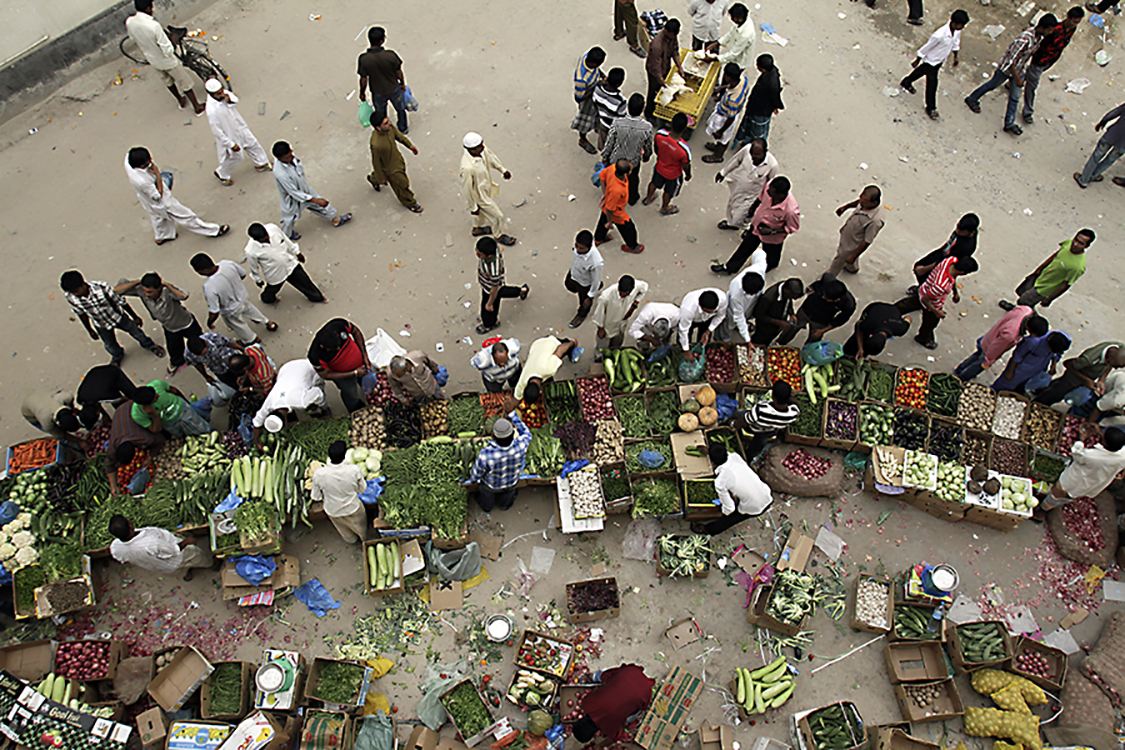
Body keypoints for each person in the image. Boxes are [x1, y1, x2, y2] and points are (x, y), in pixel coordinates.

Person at [964, 14, 1058, 136]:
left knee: (1014, 97)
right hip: (1007, 70)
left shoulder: (1038, 38)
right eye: (1050, 30)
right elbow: (1011, 61)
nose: (1050, 33)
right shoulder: (1025, 39)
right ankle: (972, 98)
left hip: (1018, 70)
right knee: (992, 85)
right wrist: (1017, 78)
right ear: (1044, 27)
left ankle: (1009, 123)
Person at [124, 147, 228, 245]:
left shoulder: (128, 161)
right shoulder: (142, 181)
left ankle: (162, 236)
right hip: (162, 201)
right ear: (141, 166)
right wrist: (157, 174)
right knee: (187, 216)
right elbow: (158, 196)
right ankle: (213, 231)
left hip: (145, 199)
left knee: (157, 216)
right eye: (148, 162)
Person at [61, 270, 165, 366]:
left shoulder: (102, 288)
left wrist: (134, 316)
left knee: (137, 333)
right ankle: (117, 355)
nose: (75, 294)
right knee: (110, 344)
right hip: (101, 324)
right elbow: (81, 313)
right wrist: (89, 330)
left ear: (83, 284)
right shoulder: (71, 297)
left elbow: (121, 302)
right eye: (72, 292)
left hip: (118, 317)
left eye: (76, 291)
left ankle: (150, 346)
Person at [125, 0, 205, 114]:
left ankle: (180, 100)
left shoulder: (130, 22)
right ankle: (197, 107)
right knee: (184, 82)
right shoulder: (153, 26)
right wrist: (173, 41)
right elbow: (168, 50)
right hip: (167, 61)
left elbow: (133, 38)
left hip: (152, 60)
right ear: (148, 8)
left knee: (168, 81)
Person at [711, 176, 800, 274]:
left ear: (780, 195)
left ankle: (768, 267)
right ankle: (730, 267)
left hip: (773, 238)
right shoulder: (769, 187)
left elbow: (792, 228)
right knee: (745, 248)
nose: (767, 191)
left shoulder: (791, 210)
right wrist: (752, 209)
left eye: (771, 192)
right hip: (756, 227)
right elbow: (760, 198)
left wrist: (772, 231)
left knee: (771, 257)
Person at [116, 274, 201, 375]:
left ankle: (203, 359)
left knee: (200, 343)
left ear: (159, 288)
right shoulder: (141, 291)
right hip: (170, 328)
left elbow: (184, 295)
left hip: (187, 323)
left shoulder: (167, 292)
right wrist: (138, 281)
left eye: (150, 292)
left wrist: (167, 285)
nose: (146, 294)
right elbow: (117, 290)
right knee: (174, 349)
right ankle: (176, 363)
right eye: (145, 291)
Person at [894, 256, 979, 349]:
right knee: (930, 323)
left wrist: (955, 292)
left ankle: (891, 313)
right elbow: (925, 300)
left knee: (907, 305)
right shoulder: (941, 286)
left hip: (924, 289)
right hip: (931, 301)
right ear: (963, 272)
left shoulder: (950, 261)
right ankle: (923, 338)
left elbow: (953, 277)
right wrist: (936, 311)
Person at [272, 141, 351, 241]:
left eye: (291, 152)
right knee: (289, 218)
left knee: (321, 205)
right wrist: (315, 200)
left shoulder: (291, 157)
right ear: (280, 158)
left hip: (304, 188)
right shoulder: (281, 173)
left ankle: (335, 219)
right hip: (292, 198)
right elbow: (293, 192)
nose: (291, 156)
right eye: (288, 156)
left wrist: (314, 199)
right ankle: (287, 235)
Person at [191, 253, 277, 344]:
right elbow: (243, 274)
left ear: (202, 270)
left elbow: (214, 311)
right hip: (243, 297)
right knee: (251, 310)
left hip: (231, 310)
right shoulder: (227, 264)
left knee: (239, 325)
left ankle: (252, 339)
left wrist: (210, 322)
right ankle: (268, 322)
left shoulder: (209, 287)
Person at [899, 10, 969, 120]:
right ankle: (931, 107)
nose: (963, 27)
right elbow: (927, 47)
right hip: (931, 60)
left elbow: (956, 43)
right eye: (961, 25)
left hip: (939, 60)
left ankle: (906, 82)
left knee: (921, 71)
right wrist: (918, 59)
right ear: (954, 23)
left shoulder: (956, 31)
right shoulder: (939, 35)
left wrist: (955, 56)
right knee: (932, 84)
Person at [690, 443, 773, 535]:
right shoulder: (735, 457)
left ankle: (708, 530)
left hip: (754, 506)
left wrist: (721, 510)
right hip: (766, 494)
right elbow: (726, 455)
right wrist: (709, 452)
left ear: (712, 463)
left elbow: (730, 508)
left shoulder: (721, 481)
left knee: (731, 518)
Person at [1001, 229, 1093, 309]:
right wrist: (1039, 270)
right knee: (1022, 293)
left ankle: (1021, 316)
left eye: (1081, 243)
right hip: (1041, 276)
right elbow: (1054, 256)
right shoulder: (1068, 244)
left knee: (1023, 301)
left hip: (1045, 289)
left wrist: (1050, 299)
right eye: (1076, 239)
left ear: (1086, 246)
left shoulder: (1078, 267)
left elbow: (1066, 285)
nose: (1075, 244)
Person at [466, 402, 533, 512]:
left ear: (493, 436)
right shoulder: (521, 445)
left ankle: (487, 508)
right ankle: (504, 506)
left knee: (486, 500)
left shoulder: (486, 454)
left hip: (491, 486)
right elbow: (526, 432)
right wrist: (512, 414)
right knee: (507, 498)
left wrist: (472, 480)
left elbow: (476, 474)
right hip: (511, 482)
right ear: (513, 434)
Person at [1023, 7, 1084, 124]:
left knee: (1031, 76)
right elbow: (1041, 43)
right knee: (1032, 86)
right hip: (1040, 59)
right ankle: (1027, 112)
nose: (1075, 24)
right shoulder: (1054, 30)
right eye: (1074, 21)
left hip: (1050, 60)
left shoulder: (1071, 29)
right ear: (1068, 18)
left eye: (1078, 22)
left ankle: (1013, 81)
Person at [204, 78, 270, 186]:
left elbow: (235, 99)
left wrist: (229, 100)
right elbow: (217, 132)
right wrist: (231, 144)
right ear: (211, 94)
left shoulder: (224, 94)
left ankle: (261, 163)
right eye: (219, 93)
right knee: (236, 157)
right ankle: (222, 173)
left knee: (252, 143)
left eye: (222, 91)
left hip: (239, 126)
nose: (222, 94)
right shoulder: (212, 111)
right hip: (230, 135)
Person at [572, 664, 655, 745]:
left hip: (645, 692)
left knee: (630, 718)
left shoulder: (609, 728)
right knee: (605, 677)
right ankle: (594, 676)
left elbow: (618, 735)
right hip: (630, 671)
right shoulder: (586, 703)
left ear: (594, 733)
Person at [244, 222, 326, 305]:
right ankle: (267, 298)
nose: (267, 239)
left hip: (290, 264)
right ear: (255, 240)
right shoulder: (251, 251)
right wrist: (258, 280)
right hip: (275, 274)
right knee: (272, 290)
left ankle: (318, 297)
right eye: (263, 239)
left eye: (266, 235)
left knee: (305, 281)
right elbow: (254, 267)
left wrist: (297, 252)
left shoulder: (273, 228)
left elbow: (286, 240)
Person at [109, 515, 211, 580]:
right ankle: (211, 564)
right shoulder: (151, 543)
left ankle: (186, 574)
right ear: (130, 526)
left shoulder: (115, 547)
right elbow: (174, 550)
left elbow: (122, 559)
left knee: (177, 571)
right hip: (176, 558)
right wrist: (187, 541)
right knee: (196, 556)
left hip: (159, 567)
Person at [1046, 428, 1125, 510]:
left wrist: (1081, 439)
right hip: (1093, 485)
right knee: (1072, 496)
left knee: (1057, 492)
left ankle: (1045, 507)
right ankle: (1056, 504)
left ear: (1104, 442)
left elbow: (1076, 454)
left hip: (1073, 480)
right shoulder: (1123, 456)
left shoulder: (1092, 456)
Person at [954, 307, 1041, 381]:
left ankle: (960, 369)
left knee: (976, 355)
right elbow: (996, 348)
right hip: (990, 349)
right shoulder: (1011, 334)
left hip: (989, 336)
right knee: (978, 365)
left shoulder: (1026, 310)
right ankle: (962, 378)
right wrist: (988, 361)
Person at [460, 132, 516, 246]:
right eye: (479, 147)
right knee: (498, 216)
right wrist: (473, 206)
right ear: (470, 149)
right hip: (479, 195)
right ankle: (498, 235)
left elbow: (491, 158)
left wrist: (502, 170)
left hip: (486, 187)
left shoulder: (481, 150)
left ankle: (477, 228)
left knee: (481, 212)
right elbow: (467, 188)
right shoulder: (467, 168)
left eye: (482, 144)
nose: (483, 147)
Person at [308, 318, 373, 413]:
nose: (338, 348)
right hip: (343, 376)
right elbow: (326, 375)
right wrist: (354, 373)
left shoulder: (338, 325)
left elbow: (356, 332)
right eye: (335, 349)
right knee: (351, 393)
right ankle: (356, 408)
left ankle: (369, 394)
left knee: (370, 381)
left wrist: (364, 356)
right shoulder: (315, 355)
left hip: (361, 364)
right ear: (323, 346)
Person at [250, 359, 328, 437]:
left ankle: (320, 410)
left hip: (309, 368)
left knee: (316, 394)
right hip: (286, 368)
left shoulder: (301, 402)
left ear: (286, 420)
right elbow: (257, 421)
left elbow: (318, 393)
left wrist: (323, 406)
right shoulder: (270, 402)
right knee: (307, 396)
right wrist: (256, 441)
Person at [1035, 341, 1125, 407]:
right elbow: (1067, 364)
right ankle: (1036, 404)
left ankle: (1041, 390)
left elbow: (1109, 366)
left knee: (1056, 385)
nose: (1116, 369)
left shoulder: (1120, 349)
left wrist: (1101, 380)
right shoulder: (1088, 359)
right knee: (1056, 394)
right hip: (1073, 377)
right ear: (1108, 359)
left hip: (1088, 376)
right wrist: (1087, 381)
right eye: (1115, 366)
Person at [367, 110, 424, 213]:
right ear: (378, 128)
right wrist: (382, 178)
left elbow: (399, 136)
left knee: (383, 177)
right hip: (391, 170)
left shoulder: (389, 128)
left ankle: (373, 179)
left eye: (388, 120)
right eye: (385, 123)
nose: (389, 123)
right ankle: (410, 202)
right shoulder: (376, 144)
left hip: (397, 160)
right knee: (402, 185)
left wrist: (410, 146)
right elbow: (376, 162)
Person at [311, 441, 368, 543]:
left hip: (333, 510)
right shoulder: (354, 470)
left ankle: (351, 540)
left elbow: (316, 497)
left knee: (343, 529)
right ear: (344, 455)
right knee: (360, 526)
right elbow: (362, 489)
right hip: (352, 507)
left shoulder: (319, 474)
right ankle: (364, 540)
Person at [602, 93, 654, 205]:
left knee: (614, 179)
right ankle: (632, 198)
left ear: (628, 106)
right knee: (633, 180)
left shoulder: (617, 123)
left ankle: (612, 195)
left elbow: (609, 142)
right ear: (642, 109)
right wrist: (647, 155)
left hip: (615, 160)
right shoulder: (647, 127)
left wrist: (605, 157)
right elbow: (648, 145)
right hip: (633, 162)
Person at [716, 139, 778, 230]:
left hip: (752, 195)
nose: (753, 158)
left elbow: (770, 185)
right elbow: (736, 160)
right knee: (731, 206)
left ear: (765, 152)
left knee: (741, 215)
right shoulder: (747, 149)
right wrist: (723, 172)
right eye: (752, 155)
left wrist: (761, 201)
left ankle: (746, 227)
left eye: (757, 156)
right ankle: (731, 223)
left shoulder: (772, 165)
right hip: (737, 186)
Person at [357, 26, 409, 133]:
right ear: (382, 41)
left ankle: (385, 129)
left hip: (377, 92)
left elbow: (363, 79)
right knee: (400, 109)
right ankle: (403, 128)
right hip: (394, 88)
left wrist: (362, 93)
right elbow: (398, 72)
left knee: (381, 113)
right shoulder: (391, 55)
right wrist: (403, 84)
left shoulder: (364, 59)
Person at [104, 401, 164, 492]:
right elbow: (109, 464)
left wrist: (150, 457)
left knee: (157, 428)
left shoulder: (144, 438)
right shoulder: (114, 444)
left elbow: (160, 440)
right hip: (120, 411)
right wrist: (113, 486)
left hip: (135, 405)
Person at [781, 274, 856, 345]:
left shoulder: (848, 305)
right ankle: (781, 342)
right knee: (792, 327)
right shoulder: (827, 279)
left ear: (837, 299)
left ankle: (806, 351)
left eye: (826, 298)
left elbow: (840, 320)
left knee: (813, 339)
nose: (823, 297)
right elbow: (815, 285)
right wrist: (810, 289)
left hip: (821, 320)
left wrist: (822, 331)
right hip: (806, 309)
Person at [476, 236, 530, 334]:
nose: (477, 254)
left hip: (490, 289)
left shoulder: (493, 270)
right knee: (504, 291)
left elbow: (494, 289)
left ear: (489, 256)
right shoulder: (494, 250)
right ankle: (522, 291)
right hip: (492, 284)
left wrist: (489, 303)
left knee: (488, 309)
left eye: (480, 254)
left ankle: (490, 323)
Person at [828, 186, 885, 276]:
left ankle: (829, 276)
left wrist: (853, 256)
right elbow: (858, 202)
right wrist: (846, 207)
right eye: (861, 197)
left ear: (873, 203)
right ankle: (852, 268)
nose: (861, 202)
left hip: (854, 242)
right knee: (848, 258)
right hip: (850, 233)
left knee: (840, 257)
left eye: (864, 201)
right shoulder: (864, 203)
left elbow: (867, 241)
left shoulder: (875, 221)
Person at [910, 213, 979, 286]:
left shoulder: (966, 248)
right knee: (918, 267)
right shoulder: (961, 230)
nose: (957, 231)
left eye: (961, 231)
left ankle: (922, 290)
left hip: (943, 263)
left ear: (971, 232)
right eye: (957, 227)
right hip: (943, 253)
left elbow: (948, 264)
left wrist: (925, 269)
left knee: (926, 277)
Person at [992, 330, 1071, 393]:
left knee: (1021, 387)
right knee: (1004, 385)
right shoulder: (1034, 342)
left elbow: (1057, 354)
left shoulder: (1063, 342)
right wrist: (1010, 371)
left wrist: (1053, 364)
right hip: (1019, 371)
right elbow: (1017, 356)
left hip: (1036, 371)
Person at [644, 114, 693, 215]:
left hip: (659, 167)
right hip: (673, 175)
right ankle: (665, 208)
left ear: (671, 123)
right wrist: (688, 175)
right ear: (684, 129)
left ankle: (648, 198)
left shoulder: (659, 135)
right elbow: (686, 165)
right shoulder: (684, 149)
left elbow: (656, 149)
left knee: (654, 183)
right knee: (668, 192)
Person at [734, 381, 800, 455]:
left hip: (754, 428)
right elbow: (795, 404)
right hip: (770, 432)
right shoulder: (793, 413)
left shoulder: (761, 409)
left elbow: (746, 420)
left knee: (741, 413)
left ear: (773, 397)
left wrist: (734, 425)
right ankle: (750, 455)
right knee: (757, 445)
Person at [731, 55, 783, 148]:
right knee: (750, 126)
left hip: (760, 110)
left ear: (762, 69)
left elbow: (775, 96)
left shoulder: (771, 84)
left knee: (756, 130)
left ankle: (754, 146)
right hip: (756, 107)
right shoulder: (772, 72)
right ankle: (747, 141)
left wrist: (776, 106)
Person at [703, 64, 750, 162]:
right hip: (729, 111)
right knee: (720, 137)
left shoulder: (734, 100)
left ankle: (718, 156)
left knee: (723, 138)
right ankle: (717, 147)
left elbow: (731, 118)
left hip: (726, 118)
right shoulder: (743, 79)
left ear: (729, 77)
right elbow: (731, 85)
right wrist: (722, 88)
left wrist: (721, 131)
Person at [595, 160, 644, 254]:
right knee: (628, 227)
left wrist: (605, 194)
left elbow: (602, 176)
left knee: (603, 220)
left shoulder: (612, 168)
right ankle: (632, 246)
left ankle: (598, 239)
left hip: (608, 203)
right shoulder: (616, 190)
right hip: (616, 211)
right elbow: (609, 209)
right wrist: (610, 222)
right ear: (627, 173)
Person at [131, 379, 210, 437]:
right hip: (171, 425)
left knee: (203, 430)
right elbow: (156, 429)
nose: (158, 395)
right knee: (190, 438)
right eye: (155, 398)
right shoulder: (137, 414)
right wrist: (154, 415)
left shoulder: (157, 384)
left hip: (183, 410)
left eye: (155, 393)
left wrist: (187, 403)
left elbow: (174, 390)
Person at [1074, 102, 1125, 189]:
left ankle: (1084, 179)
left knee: (1096, 157)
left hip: (1111, 136)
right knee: (1109, 160)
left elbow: (1113, 113)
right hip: (1123, 145)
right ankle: (1094, 176)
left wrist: (1102, 123)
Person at [721, 247, 767, 343]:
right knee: (729, 323)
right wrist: (747, 339)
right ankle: (724, 339)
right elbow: (738, 316)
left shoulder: (760, 268)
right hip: (733, 309)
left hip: (750, 307)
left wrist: (758, 249)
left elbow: (759, 254)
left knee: (747, 315)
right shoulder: (736, 293)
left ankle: (741, 327)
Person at [514, 337, 582, 400]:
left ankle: (569, 344)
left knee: (565, 349)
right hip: (536, 345)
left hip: (550, 342)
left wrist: (572, 343)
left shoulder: (549, 368)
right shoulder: (523, 381)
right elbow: (517, 396)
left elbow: (560, 350)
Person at [593, 275, 649, 349]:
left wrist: (635, 302)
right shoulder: (605, 297)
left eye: (626, 294)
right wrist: (600, 328)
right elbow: (599, 313)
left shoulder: (637, 286)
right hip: (608, 324)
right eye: (621, 293)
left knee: (617, 343)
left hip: (622, 323)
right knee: (602, 346)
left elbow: (645, 287)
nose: (623, 296)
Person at [185, 332, 243, 402]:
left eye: (205, 352)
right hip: (219, 371)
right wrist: (206, 376)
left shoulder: (213, 337)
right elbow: (197, 365)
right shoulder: (188, 355)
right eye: (202, 355)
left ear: (206, 343)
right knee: (236, 386)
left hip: (233, 362)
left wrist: (242, 349)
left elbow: (228, 343)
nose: (205, 354)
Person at [645, 18, 685, 118]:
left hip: (665, 65)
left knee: (664, 89)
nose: (675, 37)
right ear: (667, 31)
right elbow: (655, 66)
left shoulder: (672, 36)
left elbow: (675, 51)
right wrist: (661, 80)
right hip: (654, 71)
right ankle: (649, 113)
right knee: (654, 92)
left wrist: (679, 67)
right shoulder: (657, 45)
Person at [21, 389, 96, 441]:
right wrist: (80, 442)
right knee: (59, 436)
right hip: (28, 410)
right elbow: (60, 435)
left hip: (40, 396)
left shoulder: (67, 397)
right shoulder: (47, 422)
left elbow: (73, 408)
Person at [843, 302, 911, 359]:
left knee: (866, 344)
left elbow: (908, 318)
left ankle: (863, 352)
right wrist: (860, 347)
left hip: (893, 310)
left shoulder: (901, 328)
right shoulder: (869, 323)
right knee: (855, 340)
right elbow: (858, 325)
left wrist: (897, 319)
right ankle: (848, 352)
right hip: (875, 307)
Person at [566, 231, 606, 328]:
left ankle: (581, 315)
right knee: (569, 285)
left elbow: (596, 280)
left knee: (584, 302)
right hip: (574, 273)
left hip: (584, 283)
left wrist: (590, 295)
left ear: (589, 247)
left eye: (581, 248)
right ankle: (597, 287)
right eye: (576, 246)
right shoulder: (578, 248)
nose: (577, 249)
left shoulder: (596, 262)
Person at [572, 47, 608, 155]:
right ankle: (582, 139)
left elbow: (597, 70)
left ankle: (596, 127)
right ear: (593, 64)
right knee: (585, 121)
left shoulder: (586, 56)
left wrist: (601, 75)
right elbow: (579, 97)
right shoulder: (581, 80)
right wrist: (595, 86)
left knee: (597, 114)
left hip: (594, 94)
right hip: (587, 101)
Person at [751, 277, 804, 346]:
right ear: (786, 291)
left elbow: (789, 302)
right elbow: (758, 315)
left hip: (777, 323)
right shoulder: (768, 298)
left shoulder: (786, 290)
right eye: (793, 296)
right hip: (765, 327)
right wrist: (779, 322)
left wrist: (791, 313)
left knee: (768, 340)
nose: (794, 299)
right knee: (759, 342)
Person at [678, 288, 728, 356]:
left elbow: (720, 316)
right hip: (693, 319)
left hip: (707, 320)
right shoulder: (688, 309)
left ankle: (700, 352)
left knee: (704, 340)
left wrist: (708, 331)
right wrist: (686, 350)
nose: (709, 313)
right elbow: (683, 330)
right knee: (685, 340)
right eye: (707, 311)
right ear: (701, 307)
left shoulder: (723, 300)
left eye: (712, 312)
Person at [708, 4, 756, 71]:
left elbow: (734, 53)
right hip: (735, 53)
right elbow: (730, 33)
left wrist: (715, 58)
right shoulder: (742, 21)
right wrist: (717, 43)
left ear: (738, 18)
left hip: (740, 61)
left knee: (731, 73)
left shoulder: (746, 34)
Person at [593, 68, 629, 152]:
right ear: (620, 83)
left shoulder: (597, 88)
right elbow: (621, 117)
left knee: (602, 137)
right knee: (612, 143)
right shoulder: (620, 101)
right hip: (612, 126)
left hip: (602, 120)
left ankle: (602, 149)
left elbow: (595, 101)